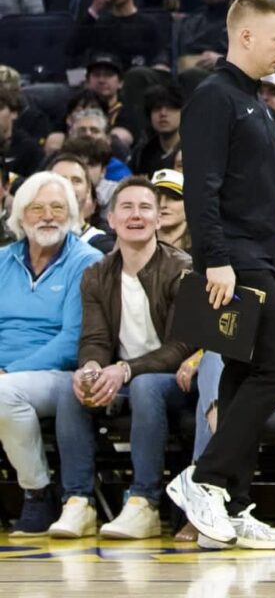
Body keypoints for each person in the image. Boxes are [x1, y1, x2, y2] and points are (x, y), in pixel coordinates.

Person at [166, 0, 275, 550]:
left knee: (246, 376)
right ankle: (204, 478)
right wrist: (214, 259)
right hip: (234, 258)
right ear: (245, 36)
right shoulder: (213, 97)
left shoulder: (258, 106)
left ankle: (235, 503)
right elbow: (202, 188)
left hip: (260, 257)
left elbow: (262, 196)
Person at [46, 177, 192, 541]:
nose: (136, 215)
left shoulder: (181, 268)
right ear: (110, 220)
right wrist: (92, 368)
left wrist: (126, 370)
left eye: (145, 208)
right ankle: (78, 501)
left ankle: (144, 501)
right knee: (72, 387)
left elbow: (183, 347)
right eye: (126, 207)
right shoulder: (96, 274)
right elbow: (94, 340)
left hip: (174, 381)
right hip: (123, 378)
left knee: (144, 386)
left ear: (159, 220)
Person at [0, 171, 102, 534]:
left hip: (61, 375)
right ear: (20, 215)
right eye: (37, 207)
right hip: (7, 375)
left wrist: (10, 371)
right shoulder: (2, 260)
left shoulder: (86, 261)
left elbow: (72, 338)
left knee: (3, 394)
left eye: (58, 207)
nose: (47, 216)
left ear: (72, 214)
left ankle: (38, 493)